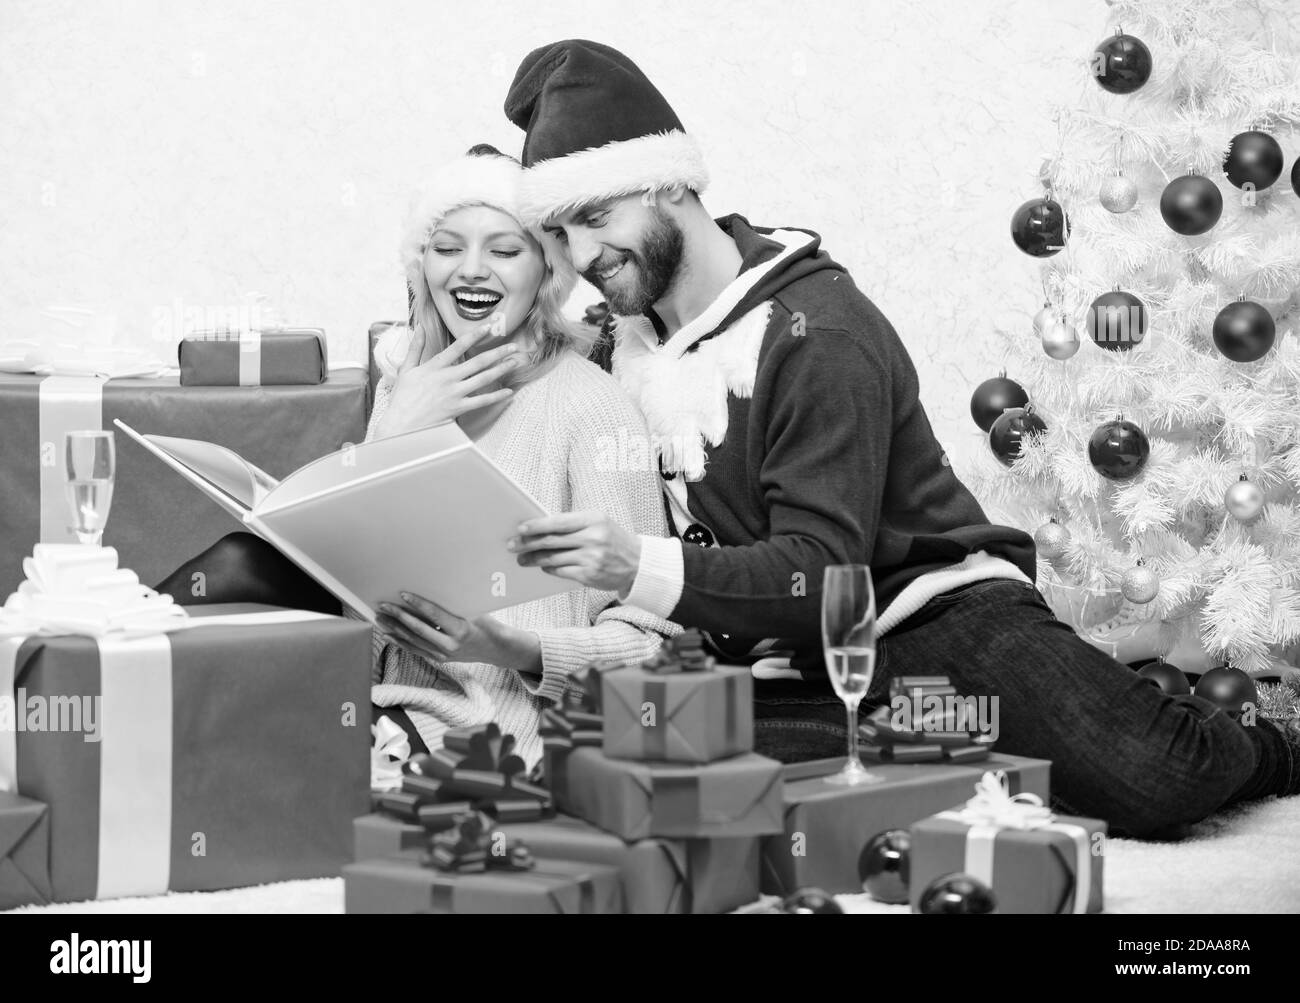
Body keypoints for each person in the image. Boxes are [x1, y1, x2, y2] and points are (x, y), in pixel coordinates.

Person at [496, 39, 1300, 836]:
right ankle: (986, 731)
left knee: (1151, 779)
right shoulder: (621, 342)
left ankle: (1265, 739)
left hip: (930, 616)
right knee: (627, 762)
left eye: (597, 218)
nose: (585, 256)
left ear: (668, 182)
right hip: (778, 656)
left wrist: (630, 563)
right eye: (562, 235)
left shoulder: (817, 332)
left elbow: (821, 571)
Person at [157, 145, 677, 767]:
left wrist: (508, 645)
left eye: (505, 250)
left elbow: (653, 643)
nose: (471, 271)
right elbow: (358, 597)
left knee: (207, 731)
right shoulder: (411, 390)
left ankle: (80, 692)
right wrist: (395, 434)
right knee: (242, 562)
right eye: (448, 247)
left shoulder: (591, 408)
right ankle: (74, 672)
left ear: (546, 270)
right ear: (420, 265)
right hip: (374, 693)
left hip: (492, 730)